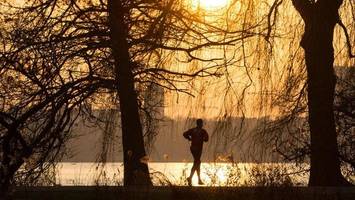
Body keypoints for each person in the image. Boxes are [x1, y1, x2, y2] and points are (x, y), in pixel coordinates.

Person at [183, 119, 209, 186]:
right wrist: (190, 138)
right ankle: (191, 178)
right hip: (196, 149)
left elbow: (185, 134)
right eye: (201, 123)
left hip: (194, 148)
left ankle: (198, 179)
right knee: (197, 162)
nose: (202, 124)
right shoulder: (202, 131)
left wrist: (189, 138)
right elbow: (207, 139)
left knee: (197, 162)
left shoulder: (193, 130)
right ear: (199, 124)